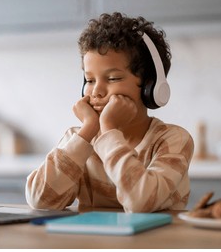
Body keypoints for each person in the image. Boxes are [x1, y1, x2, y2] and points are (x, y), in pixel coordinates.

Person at [25, 12, 194, 213]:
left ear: (150, 86)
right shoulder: (79, 140)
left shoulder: (172, 140)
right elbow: (40, 200)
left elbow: (141, 202)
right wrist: (88, 131)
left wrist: (109, 130)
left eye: (113, 79)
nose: (96, 91)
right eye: (89, 80)